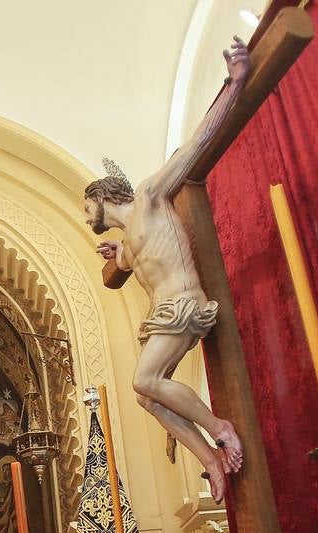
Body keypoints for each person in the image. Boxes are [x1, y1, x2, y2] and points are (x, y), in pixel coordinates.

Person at [84, 37, 250, 503]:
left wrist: (234, 85)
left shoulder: (149, 197)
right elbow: (130, 260)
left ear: (102, 196)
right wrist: (117, 254)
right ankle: (212, 459)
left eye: (86, 206)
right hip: (164, 314)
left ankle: (220, 428)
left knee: (143, 380)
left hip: (185, 304)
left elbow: (194, 146)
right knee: (147, 396)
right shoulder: (127, 247)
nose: (86, 217)